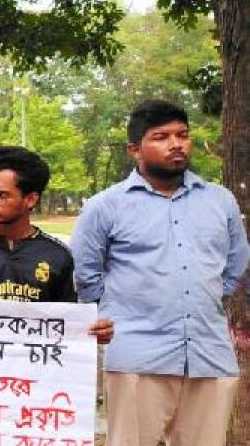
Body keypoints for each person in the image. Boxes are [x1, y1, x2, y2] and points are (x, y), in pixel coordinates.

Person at [71, 100, 250, 446]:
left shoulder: (220, 200)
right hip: (137, 355)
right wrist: (115, 315)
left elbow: (234, 265)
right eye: (161, 137)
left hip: (209, 354)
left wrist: (206, 296)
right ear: (135, 149)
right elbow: (86, 275)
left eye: (183, 135)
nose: (176, 144)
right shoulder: (104, 207)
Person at [0, 145, 113, 330]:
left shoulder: (58, 255)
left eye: (2, 195)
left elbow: (67, 323)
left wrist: (93, 332)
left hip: (36, 357)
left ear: (31, 199)